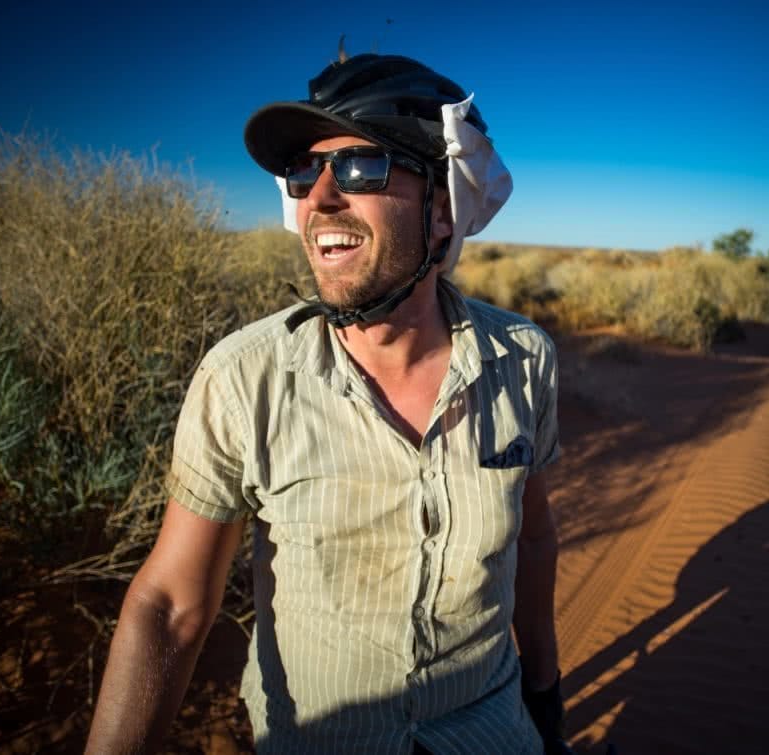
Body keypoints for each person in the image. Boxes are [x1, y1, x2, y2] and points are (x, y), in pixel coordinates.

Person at [85, 51, 566, 754]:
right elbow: (170, 604)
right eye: (305, 173)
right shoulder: (244, 379)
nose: (319, 199)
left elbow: (533, 536)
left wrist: (545, 698)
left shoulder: (523, 361)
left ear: (440, 209)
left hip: (490, 731)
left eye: (362, 166)